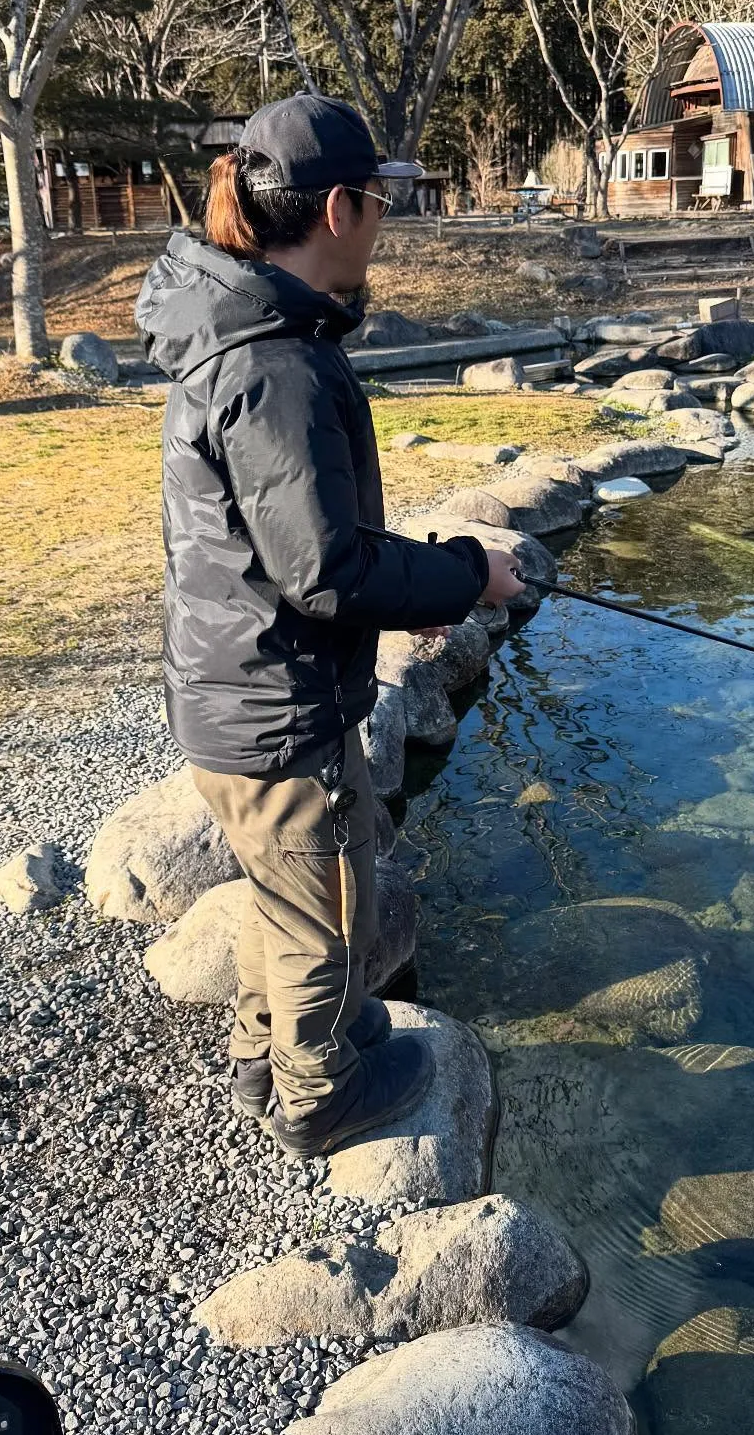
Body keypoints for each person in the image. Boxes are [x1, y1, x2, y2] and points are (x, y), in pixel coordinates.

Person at [135, 94, 526, 1158]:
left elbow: (298, 553)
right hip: (274, 707)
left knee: (289, 884)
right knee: (324, 914)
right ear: (342, 207)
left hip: (245, 687)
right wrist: (464, 577)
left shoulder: (255, 333)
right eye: (383, 202)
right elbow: (327, 570)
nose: (388, 221)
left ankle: (263, 1050)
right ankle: (318, 1096)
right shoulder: (275, 364)